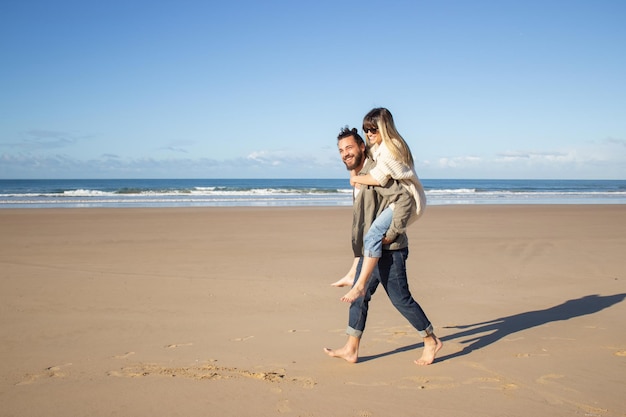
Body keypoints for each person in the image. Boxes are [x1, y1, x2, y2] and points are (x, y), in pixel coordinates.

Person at [324, 126, 442, 365]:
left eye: (349, 147)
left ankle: (431, 340)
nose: (345, 153)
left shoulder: (376, 173)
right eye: (340, 150)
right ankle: (351, 348)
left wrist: (393, 233)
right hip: (371, 253)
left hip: (390, 250)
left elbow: (404, 199)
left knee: (401, 299)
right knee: (359, 296)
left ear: (361, 147)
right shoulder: (360, 178)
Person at [332, 108, 426, 304]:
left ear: (385, 128)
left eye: (373, 130)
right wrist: (353, 172)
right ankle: (353, 275)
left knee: (373, 235)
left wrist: (392, 233)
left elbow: (378, 178)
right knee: (366, 234)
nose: (369, 134)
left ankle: (359, 285)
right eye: (366, 130)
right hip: (397, 201)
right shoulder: (378, 147)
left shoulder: (391, 149)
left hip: (406, 199)